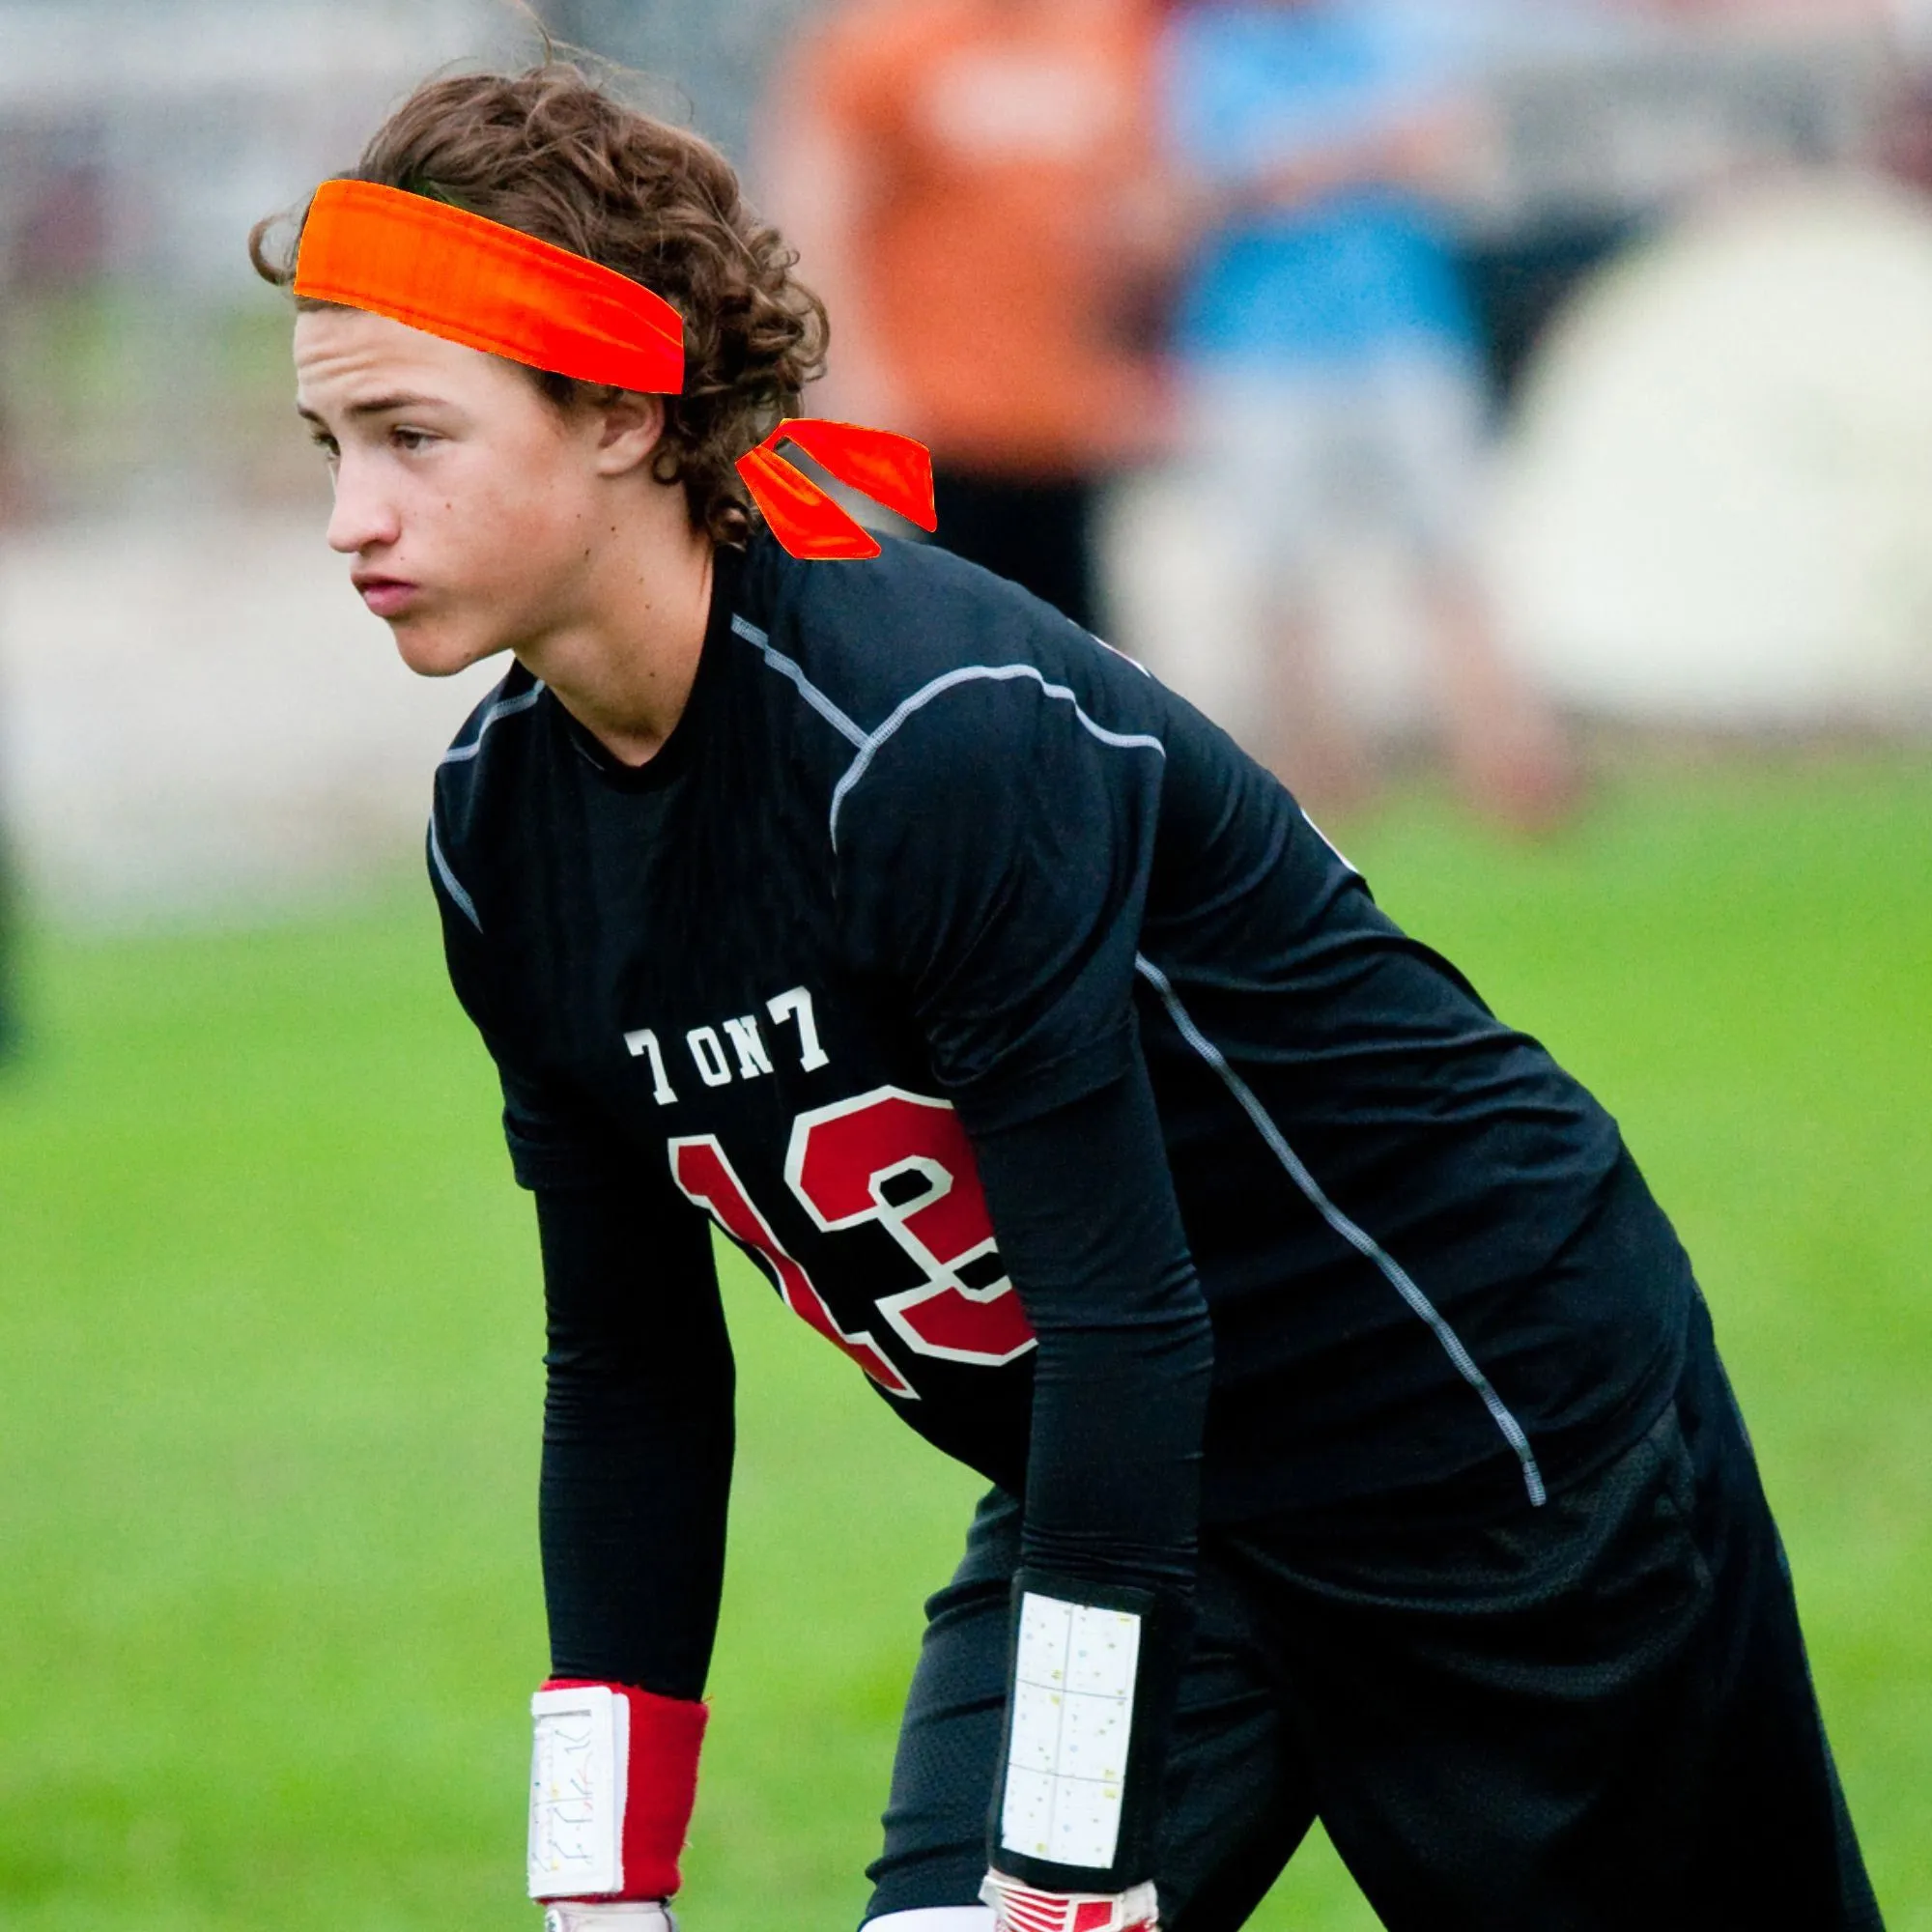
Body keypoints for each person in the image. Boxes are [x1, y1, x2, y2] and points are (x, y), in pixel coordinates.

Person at [254, 61, 1883, 1932]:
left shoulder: (924, 734)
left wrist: (1054, 1867)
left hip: (1474, 1436)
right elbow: (626, 1371)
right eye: (333, 450)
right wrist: (595, 1890)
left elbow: (1123, 1315)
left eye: (412, 435)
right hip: (1123, 1494)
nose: (350, 518)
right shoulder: (497, 822)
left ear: (622, 411)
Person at [1153, 0, 1576, 828]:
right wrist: (1365, 150)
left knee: (1453, 558)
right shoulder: (1209, 52)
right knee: (1277, 577)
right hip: (1258, 348)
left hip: (1406, 331)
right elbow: (1205, 189)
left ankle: (1509, 768)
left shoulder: (1397, 34)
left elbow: (1448, 154)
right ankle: (1316, 778)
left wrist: (1302, 165)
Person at [754, 0, 1173, 632]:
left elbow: (1144, 206)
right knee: (948, 647)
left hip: (1064, 425)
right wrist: (851, 370)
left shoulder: (1102, 36)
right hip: (936, 422)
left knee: (1075, 658)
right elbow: (818, 213)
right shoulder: (890, 42)